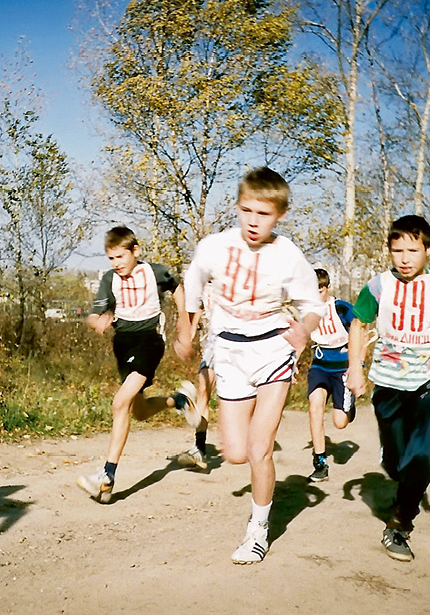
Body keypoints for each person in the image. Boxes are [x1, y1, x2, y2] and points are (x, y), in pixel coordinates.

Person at [179, 166, 324, 564]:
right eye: (247, 211)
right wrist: (185, 330)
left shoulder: (288, 255)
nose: (253, 221)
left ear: (279, 215)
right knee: (236, 453)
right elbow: (190, 287)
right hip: (229, 353)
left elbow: (313, 306)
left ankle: (257, 531)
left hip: (273, 352)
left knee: (260, 449)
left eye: (263, 214)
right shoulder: (215, 247)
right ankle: (210, 420)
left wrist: (303, 331)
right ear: (237, 207)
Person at [346, 215, 430, 561]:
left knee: (420, 462)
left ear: (429, 249)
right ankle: (396, 466)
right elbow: (359, 324)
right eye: (397, 250)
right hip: (389, 385)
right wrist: (354, 368)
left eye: (413, 250)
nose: (405, 258)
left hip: (428, 383)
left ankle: (399, 524)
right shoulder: (378, 287)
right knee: (395, 465)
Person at [77, 226, 198, 503]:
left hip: (149, 341)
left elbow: (178, 290)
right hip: (123, 344)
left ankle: (107, 476)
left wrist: (183, 322)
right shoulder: (109, 279)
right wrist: (98, 321)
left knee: (119, 403)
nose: (116, 264)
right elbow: (94, 315)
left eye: (120, 257)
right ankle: (178, 401)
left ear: (135, 251)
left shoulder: (154, 272)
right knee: (139, 411)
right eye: (111, 258)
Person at [307, 268, 356, 482]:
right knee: (314, 407)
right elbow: (300, 336)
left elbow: (359, 328)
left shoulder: (340, 307)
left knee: (340, 422)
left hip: (342, 366)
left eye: (319, 290)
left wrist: (357, 362)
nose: (315, 295)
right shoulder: (306, 310)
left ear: (327, 288)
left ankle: (349, 405)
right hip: (319, 365)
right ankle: (320, 462)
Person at [171, 288, 216, 469]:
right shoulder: (206, 284)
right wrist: (189, 334)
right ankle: (200, 450)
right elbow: (197, 309)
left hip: (239, 343)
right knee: (203, 391)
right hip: (214, 344)